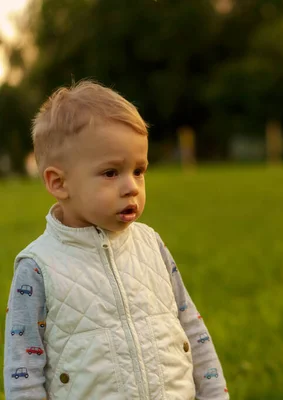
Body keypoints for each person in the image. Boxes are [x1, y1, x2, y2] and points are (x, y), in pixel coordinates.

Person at [4, 80, 229, 400]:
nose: (131, 187)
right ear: (59, 183)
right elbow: (23, 370)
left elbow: (193, 331)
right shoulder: (38, 266)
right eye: (111, 173)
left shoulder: (151, 245)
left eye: (139, 171)